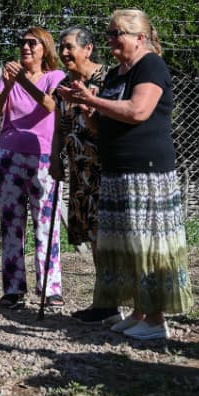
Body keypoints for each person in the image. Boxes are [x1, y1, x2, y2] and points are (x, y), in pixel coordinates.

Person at [58, 9, 193, 341]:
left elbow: (138, 111)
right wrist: (86, 107)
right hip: (117, 170)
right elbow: (101, 125)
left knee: (146, 244)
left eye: (116, 33)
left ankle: (156, 320)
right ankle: (138, 313)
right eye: (109, 33)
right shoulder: (117, 74)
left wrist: (94, 100)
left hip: (145, 170)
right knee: (126, 246)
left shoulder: (151, 66)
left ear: (139, 38)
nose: (110, 39)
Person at [0, 27, 67, 309]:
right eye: (22, 42)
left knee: (46, 223)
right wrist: (10, 85)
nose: (25, 47)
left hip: (43, 156)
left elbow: (50, 106)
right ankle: (13, 289)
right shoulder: (10, 77)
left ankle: (50, 287)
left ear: (45, 48)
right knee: (11, 222)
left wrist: (23, 80)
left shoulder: (55, 77)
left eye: (32, 43)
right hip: (9, 156)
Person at [48, 26, 113, 323]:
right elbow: (60, 128)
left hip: (106, 168)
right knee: (93, 234)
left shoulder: (108, 79)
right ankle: (106, 301)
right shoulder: (63, 85)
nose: (63, 53)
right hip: (79, 170)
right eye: (61, 47)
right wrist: (56, 159)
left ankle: (111, 300)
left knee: (106, 234)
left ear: (88, 49)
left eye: (69, 47)